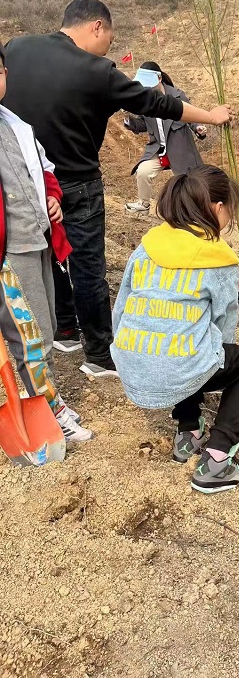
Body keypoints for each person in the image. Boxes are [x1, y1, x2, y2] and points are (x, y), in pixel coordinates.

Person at [3, 0, 232, 378]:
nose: (108, 47)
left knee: (49, 252)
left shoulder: (16, 49)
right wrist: (211, 115)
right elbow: (160, 104)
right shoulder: (97, 71)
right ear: (97, 26)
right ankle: (97, 354)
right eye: (109, 37)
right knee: (87, 265)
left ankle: (63, 329)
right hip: (77, 183)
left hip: (27, 182)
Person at [111, 165, 239, 494]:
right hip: (171, 369)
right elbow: (224, 328)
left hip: (129, 363)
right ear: (219, 209)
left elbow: (120, 308)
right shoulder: (218, 260)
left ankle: (188, 432)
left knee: (187, 339)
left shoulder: (147, 247)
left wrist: (128, 350)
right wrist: (216, 365)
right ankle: (217, 459)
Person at [0, 45, 93, 442]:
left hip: (38, 239)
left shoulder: (15, 124)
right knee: (29, 334)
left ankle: (45, 399)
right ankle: (49, 412)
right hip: (8, 252)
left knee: (48, 324)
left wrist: (52, 196)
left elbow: (44, 166)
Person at [124, 61, 208, 215]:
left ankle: (196, 211)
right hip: (158, 150)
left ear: (159, 79)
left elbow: (190, 115)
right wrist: (130, 122)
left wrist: (198, 128)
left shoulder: (177, 95)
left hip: (179, 148)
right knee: (143, 171)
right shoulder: (146, 99)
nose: (146, 88)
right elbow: (144, 123)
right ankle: (144, 204)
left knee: (188, 182)